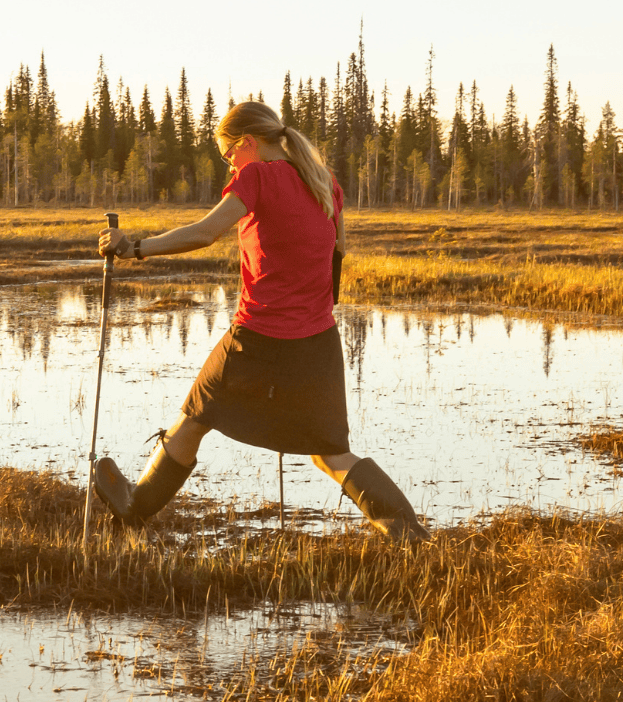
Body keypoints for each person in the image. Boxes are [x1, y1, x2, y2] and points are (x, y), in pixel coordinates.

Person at [94, 99, 428, 541]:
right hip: (318, 341)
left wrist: (134, 247)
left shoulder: (256, 177)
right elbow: (338, 253)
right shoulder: (324, 181)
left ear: (248, 142)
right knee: (330, 453)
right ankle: (406, 530)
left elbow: (204, 233)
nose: (229, 164)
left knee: (195, 416)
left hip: (256, 336)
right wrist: (309, 305)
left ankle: (136, 507)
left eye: (228, 153)